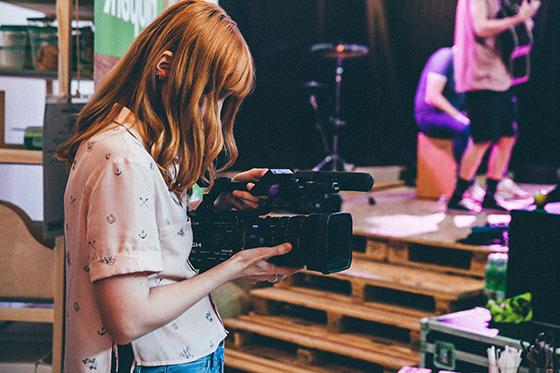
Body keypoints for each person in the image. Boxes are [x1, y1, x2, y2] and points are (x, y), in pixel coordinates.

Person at [55, 1, 300, 372]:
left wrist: (217, 203)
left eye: (223, 100)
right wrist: (236, 267)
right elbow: (129, 319)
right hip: (154, 361)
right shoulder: (123, 159)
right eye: (210, 94)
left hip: (179, 351)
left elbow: (151, 244)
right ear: (164, 66)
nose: (214, 115)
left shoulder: (141, 148)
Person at [448, 0, 540, 211]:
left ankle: (491, 194)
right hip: (481, 77)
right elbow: (480, 27)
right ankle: (458, 194)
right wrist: (518, 18)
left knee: (507, 137)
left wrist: (523, 19)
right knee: (482, 139)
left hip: (502, 77)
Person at [414, 46, 470, 163]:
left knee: (486, 127)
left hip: (449, 114)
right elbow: (432, 96)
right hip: (430, 116)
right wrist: (458, 116)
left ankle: (498, 176)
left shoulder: (465, 66)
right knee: (464, 128)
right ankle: (461, 177)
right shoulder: (445, 56)